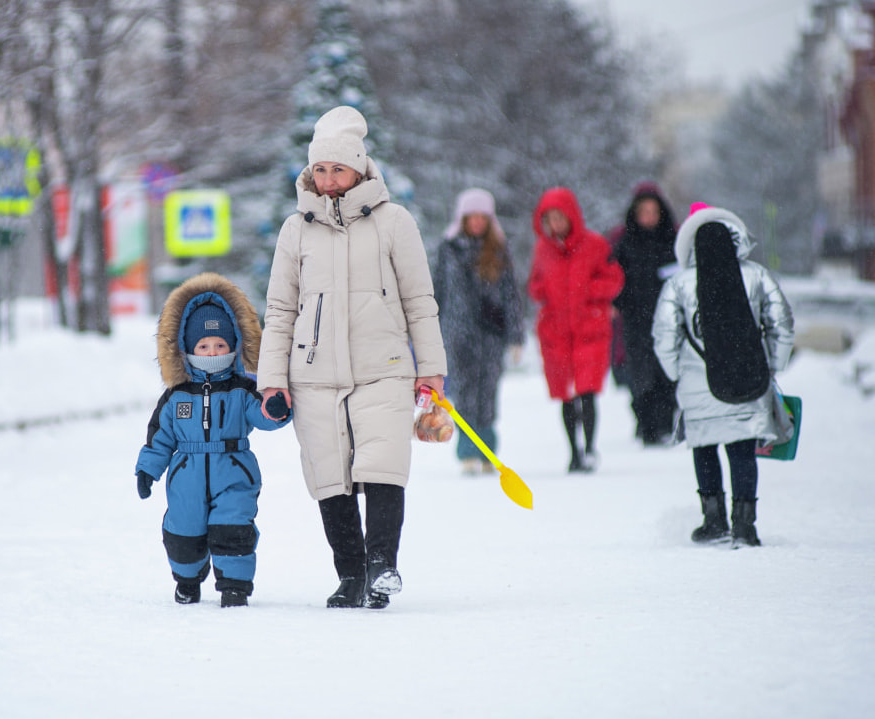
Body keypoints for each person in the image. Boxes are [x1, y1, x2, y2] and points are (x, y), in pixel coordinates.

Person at [257, 105, 447, 610]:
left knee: (382, 464)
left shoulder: (393, 222)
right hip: (314, 375)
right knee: (329, 478)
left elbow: (419, 301)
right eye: (319, 170)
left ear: (360, 168)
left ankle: (382, 567)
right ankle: (351, 576)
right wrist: (272, 380)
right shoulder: (295, 231)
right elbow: (279, 310)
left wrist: (430, 367)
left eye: (337, 169)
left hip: (382, 369)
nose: (328, 180)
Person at [134, 273, 292, 608]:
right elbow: (160, 437)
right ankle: (188, 580)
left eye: (220, 345)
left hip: (234, 470)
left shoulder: (241, 389)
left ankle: (234, 586)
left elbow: (264, 417)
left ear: (233, 346)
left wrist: (276, 409)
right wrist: (148, 469)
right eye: (203, 347)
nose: (212, 352)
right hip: (186, 474)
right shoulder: (177, 397)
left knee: (232, 527)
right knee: (183, 533)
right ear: (188, 349)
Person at [652, 205, 794, 547]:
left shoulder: (679, 283)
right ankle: (744, 525)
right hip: (748, 378)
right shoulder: (756, 275)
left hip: (698, 384)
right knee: (742, 450)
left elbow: (664, 335)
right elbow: (782, 325)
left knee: (703, 447)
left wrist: (677, 374)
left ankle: (713, 521)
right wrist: (772, 366)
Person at [527, 187, 624, 473]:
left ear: (572, 216)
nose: (555, 224)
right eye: (550, 219)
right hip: (556, 331)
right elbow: (534, 285)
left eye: (560, 217)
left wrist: (588, 293)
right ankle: (574, 452)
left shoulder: (595, 245)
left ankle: (590, 448)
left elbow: (614, 278)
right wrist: (546, 292)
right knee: (565, 394)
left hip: (588, 328)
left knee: (587, 390)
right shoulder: (542, 249)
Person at [432, 188, 525, 476]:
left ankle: (487, 449)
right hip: (457, 332)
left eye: (481, 217)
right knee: (464, 392)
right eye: (471, 217)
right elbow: (436, 291)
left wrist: (516, 336)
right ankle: (467, 451)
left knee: (487, 392)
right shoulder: (448, 249)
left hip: (491, 335)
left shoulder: (498, 250)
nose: (476, 223)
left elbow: (511, 295)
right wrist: (429, 333)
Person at [612, 182, 680, 446]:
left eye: (654, 211)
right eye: (644, 211)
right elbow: (615, 278)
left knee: (667, 372)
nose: (649, 217)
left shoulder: (672, 240)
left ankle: (665, 423)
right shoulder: (625, 243)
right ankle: (646, 423)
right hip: (636, 318)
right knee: (641, 375)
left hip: (668, 317)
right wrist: (619, 302)